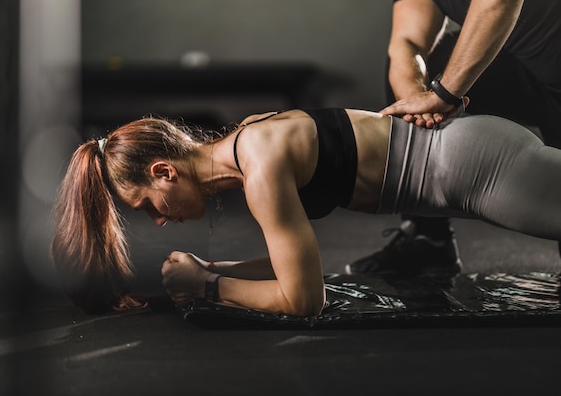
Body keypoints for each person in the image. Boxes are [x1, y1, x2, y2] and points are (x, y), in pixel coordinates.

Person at [50, 108, 561, 315]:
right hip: (470, 164)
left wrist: (209, 288)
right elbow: (297, 264)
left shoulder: (261, 170)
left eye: (149, 207)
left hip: (481, 170)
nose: (159, 220)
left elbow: (304, 298)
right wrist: (218, 270)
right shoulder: (250, 147)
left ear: (164, 172)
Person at [346, 0, 561, 275]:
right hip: (526, 69)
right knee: (425, 66)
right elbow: (407, 43)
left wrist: (444, 94)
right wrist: (416, 104)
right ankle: (426, 239)